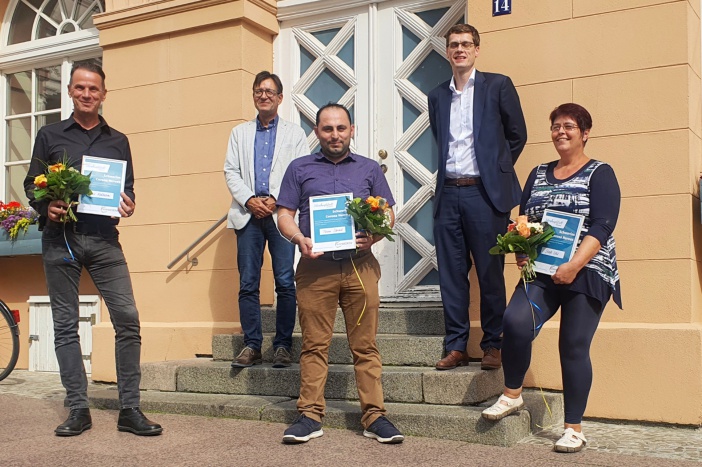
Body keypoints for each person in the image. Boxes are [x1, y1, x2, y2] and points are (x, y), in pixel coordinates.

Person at [23, 62, 162, 437]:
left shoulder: (118, 140)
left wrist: (128, 202)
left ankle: (129, 409)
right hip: (60, 239)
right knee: (66, 326)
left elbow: (127, 187)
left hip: (104, 240)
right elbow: (30, 184)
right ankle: (78, 409)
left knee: (127, 318)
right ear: (70, 91)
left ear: (103, 94)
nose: (87, 94)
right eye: (80, 88)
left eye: (94, 89)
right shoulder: (50, 135)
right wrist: (44, 205)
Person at [481, 103, 622, 453]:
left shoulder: (600, 173)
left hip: (588, 269)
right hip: (542, 269)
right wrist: (520, 247)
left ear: (585, 133)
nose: (561, 131)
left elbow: (604, 225)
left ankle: (573, 428)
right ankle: (512, 395)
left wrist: (574, 264)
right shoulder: (538, 173)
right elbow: (524, 219)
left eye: (569, 126)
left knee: (572, 345)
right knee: (514, 322)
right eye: (556, 126)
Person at [276, 103, 404, 444]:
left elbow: (389, 212)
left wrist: (375, 234)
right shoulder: (299, 168)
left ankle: (375, 416)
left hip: (359, 267)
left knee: (365, 345)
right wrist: (298, 237)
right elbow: (284, 213)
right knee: (314, 345)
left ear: (352, 130)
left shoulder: (368, 169)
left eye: (341, 128)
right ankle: (310, 415)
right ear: (317, 132)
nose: (335, 135)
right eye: (328, 129)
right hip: (315, 269)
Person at [428, 23, 527, 371]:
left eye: (466, 44)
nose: (460, 50)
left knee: (489, 273)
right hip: (448, 193)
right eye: (454, 44)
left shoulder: (497, 85)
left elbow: (518, 135)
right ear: (447, 50)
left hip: (484, 195)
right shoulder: (437, 95)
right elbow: (441, 140)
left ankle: (492, 344)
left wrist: (495, 172)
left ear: (477, 49)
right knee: (452, 275)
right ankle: (456, 346)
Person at [224, 71, 309, 368]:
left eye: (270, 91)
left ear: (280, 97)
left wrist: (276, 198)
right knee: (248, 282)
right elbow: (230, 171)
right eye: (259, 91)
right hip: (248, 216)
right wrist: (249, 199)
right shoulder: (239, 133)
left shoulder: (295, 134)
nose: (264, 95)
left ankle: (283, 345)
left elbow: (300, 171)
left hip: (281, 215)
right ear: (253, 95)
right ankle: (252, 345)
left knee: (285, 281)